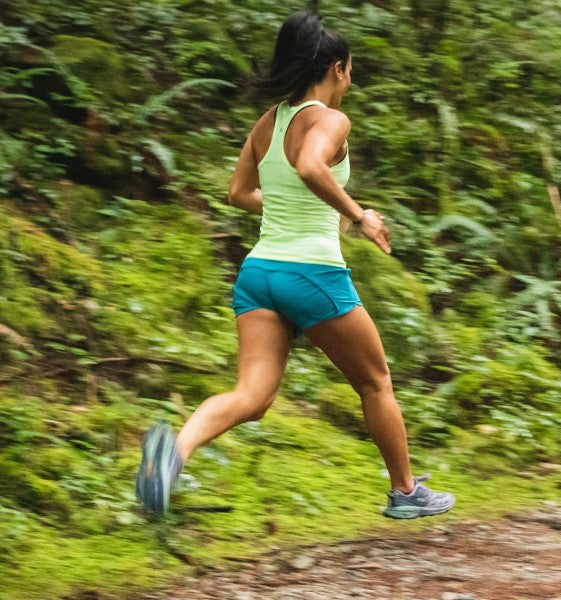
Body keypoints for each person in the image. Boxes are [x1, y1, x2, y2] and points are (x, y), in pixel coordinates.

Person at [136, 11, 455, 520]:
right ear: (336, 68)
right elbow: (309, 165)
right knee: (376, 383)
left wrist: (298, 207)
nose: (351, 80)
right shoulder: (330, 119)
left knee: (252, 396)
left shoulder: (269, 121)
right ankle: (406, 491)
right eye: (350, 70)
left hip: (260, 274)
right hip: (311, 273)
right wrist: (359, 215)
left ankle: (172, 455)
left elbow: (238, 193)